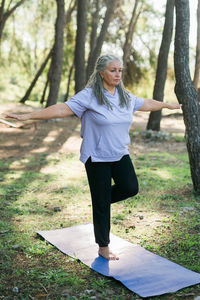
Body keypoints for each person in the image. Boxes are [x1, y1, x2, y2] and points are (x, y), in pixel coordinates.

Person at [5, 54, 181, 260]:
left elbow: (147, 103)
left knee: (130, 188)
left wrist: (168, 105)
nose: (118, 74)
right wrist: (27, 115)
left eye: (120, 70)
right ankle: (103, 246)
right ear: (101, 73)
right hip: (96, 156)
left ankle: (100, 200)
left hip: (119, 153)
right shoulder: (89, 96)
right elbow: (62, 109)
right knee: (102, 201)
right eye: (113, 70)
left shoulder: (125, 97)